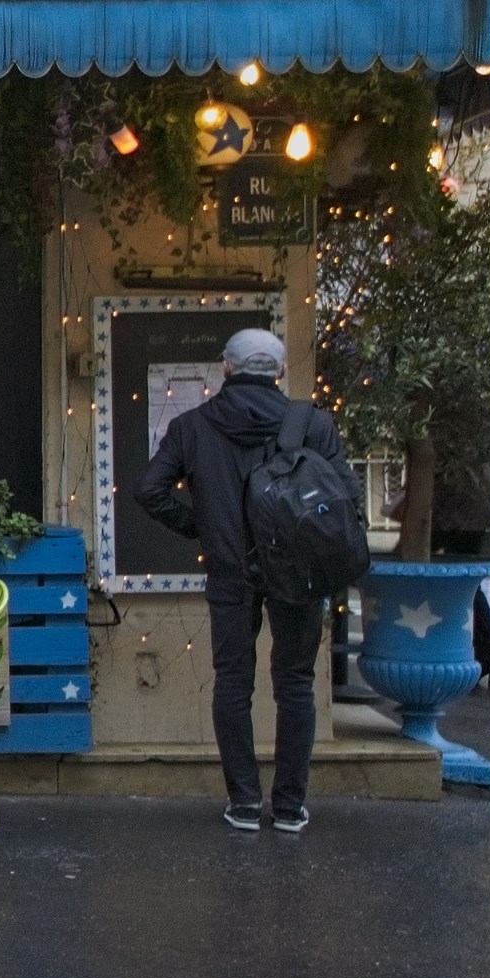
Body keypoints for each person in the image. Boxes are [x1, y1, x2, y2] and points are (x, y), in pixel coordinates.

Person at [136, 328, 345, 834]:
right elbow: (344, 495)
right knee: (295, 683)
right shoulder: (313, 423)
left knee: (233, 682)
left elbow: (149, 490)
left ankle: (245, 803)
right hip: (299, 572)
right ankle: (291, 807)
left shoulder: (192, 426)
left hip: (230, 571)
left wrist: (200, 526)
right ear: (278, 372)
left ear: (225, 368)